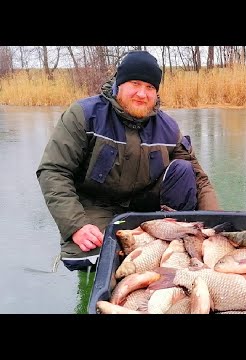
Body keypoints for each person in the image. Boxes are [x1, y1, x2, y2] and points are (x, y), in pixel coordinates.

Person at [36, 50, 220, 272]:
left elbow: (200, 179)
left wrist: (213, 226)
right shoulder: (83, 115)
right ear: (119, 84)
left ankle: (174, 239)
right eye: (135, 83)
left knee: (183, 169)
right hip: (97, 204)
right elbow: (53, 171)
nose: (142, 94)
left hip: (145, 205)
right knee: (89, 258)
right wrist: (76, 225)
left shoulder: (168, 128)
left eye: (150, 87)